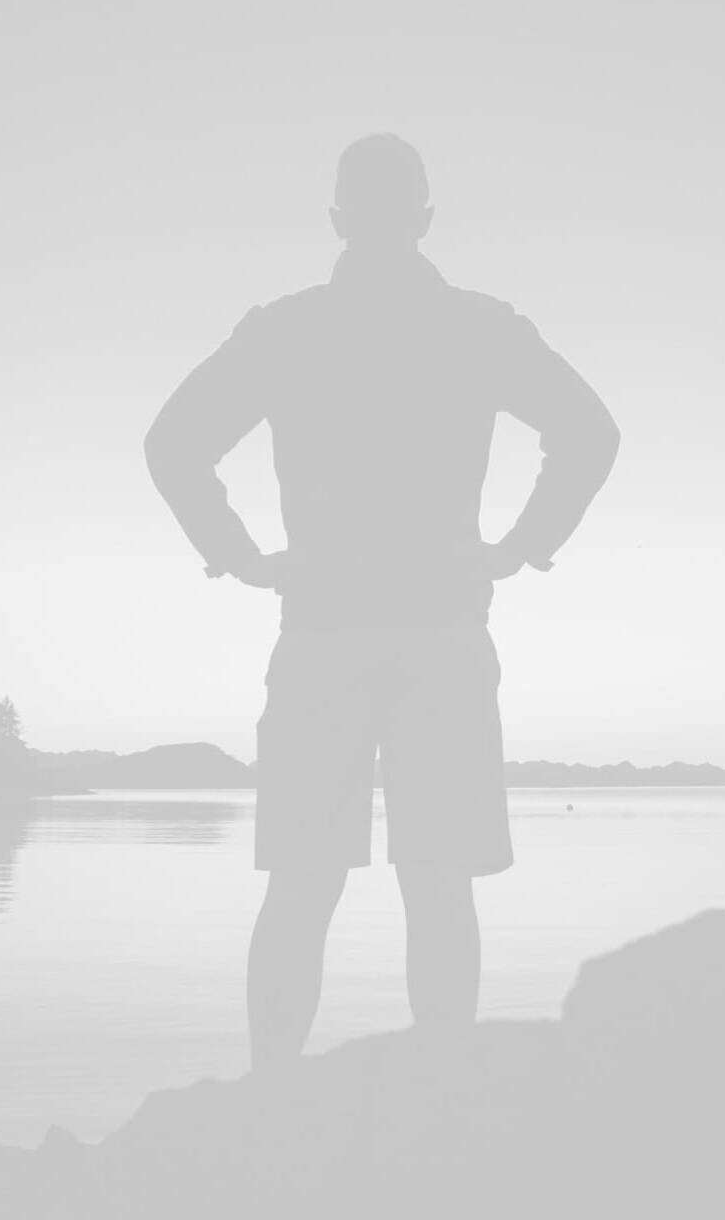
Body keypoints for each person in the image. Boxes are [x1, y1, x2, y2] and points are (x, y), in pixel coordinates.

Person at [144, 133, 620, 1073]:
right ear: (425, 219)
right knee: (439, 884)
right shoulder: (479, 328)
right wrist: (522, 546)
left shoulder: (285, 331)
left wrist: (237, 556)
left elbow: (172, 443)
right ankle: (439, 1094)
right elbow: (590, 432)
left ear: (337, 220)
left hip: (323, 630)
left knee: (300, 885)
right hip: (440, 631)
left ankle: (272, 1094)